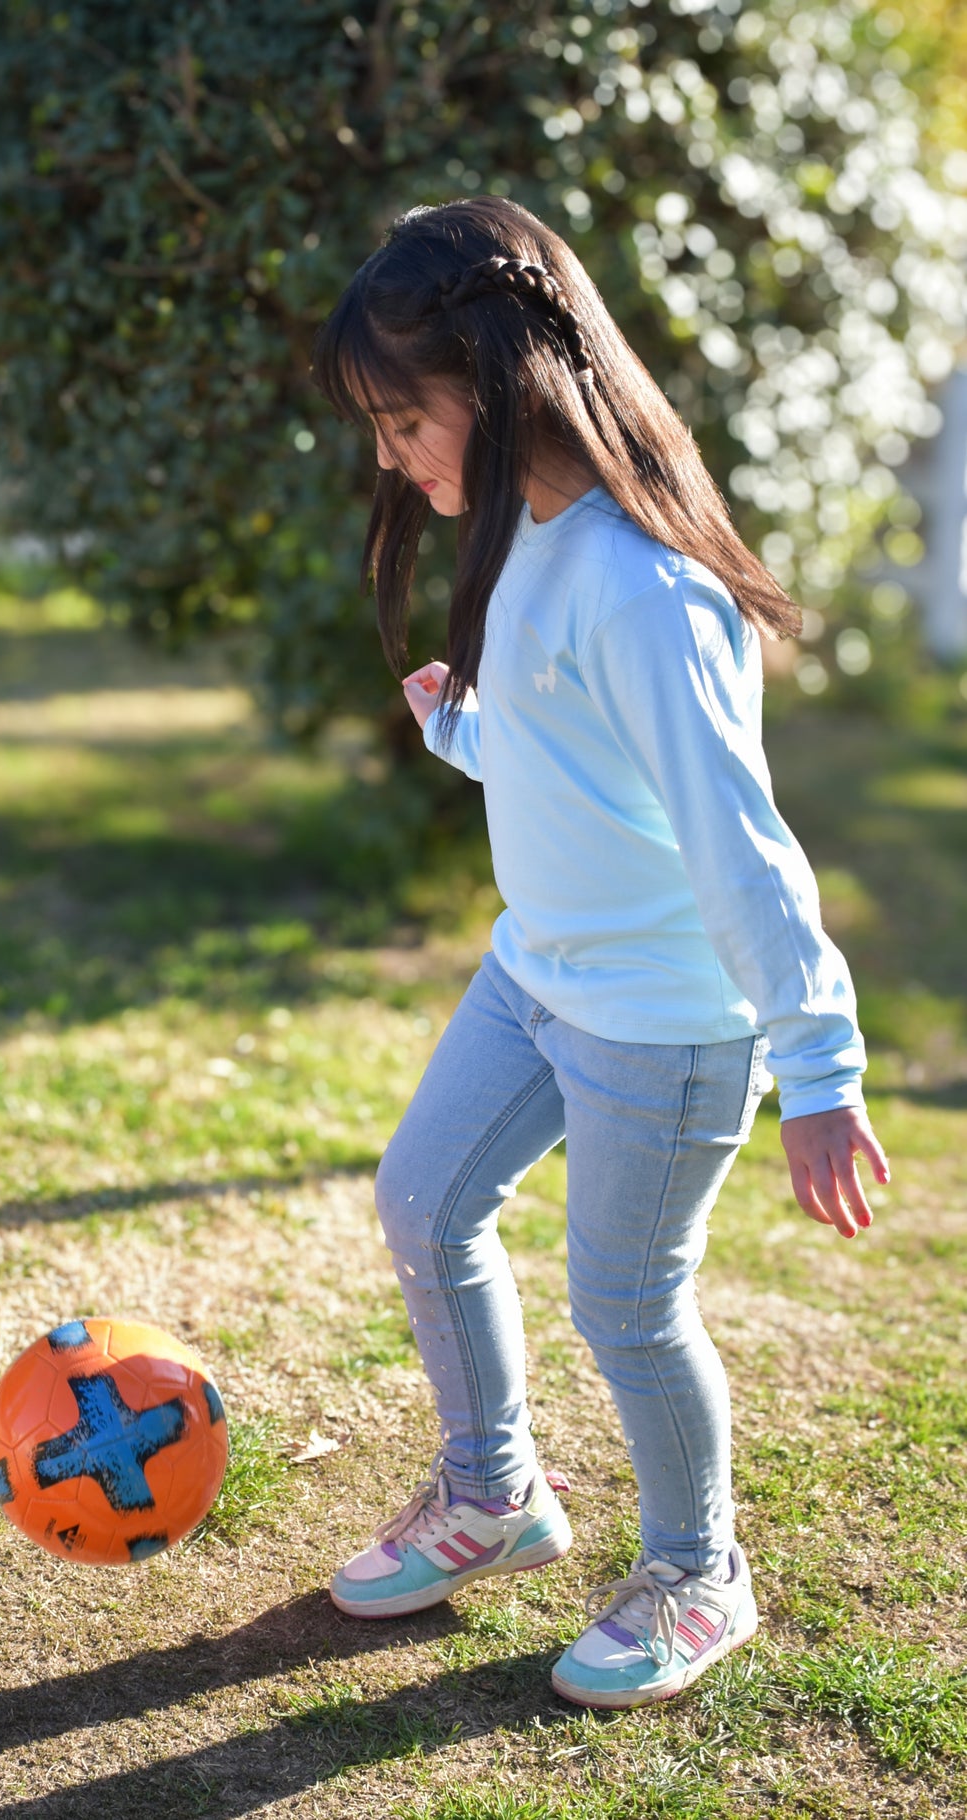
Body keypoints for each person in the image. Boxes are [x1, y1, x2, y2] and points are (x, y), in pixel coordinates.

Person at [309, 197, 890, 1711]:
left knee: (627, 1310)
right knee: (425, 1203)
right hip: (536, 977)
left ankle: (701, 1574)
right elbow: (579, 761)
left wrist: (818, 1064)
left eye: (400, 418)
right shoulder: (524, 538)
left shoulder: (646, 590)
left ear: (496, 389)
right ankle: (491, 1496)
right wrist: (469, 732)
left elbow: (733, 843)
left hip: (664, 1026)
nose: (389, 454)